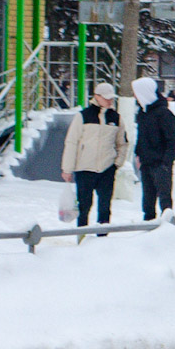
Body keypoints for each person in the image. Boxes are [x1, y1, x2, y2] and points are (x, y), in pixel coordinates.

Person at [60, 82, 127, 237]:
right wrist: (67, 168)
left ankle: (102, 240)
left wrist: (117, 164)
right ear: (97, 97)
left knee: (105, 206)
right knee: (84, 206)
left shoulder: (116, 118)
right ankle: (81, 237)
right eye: (106, 98)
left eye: (111, 98)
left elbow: (122, 143)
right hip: (84, 168)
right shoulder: (83, 116)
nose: (110, 101)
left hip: (107, 168)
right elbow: (71, 142)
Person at [132, 76, 175, 222]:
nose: (135, 96)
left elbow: (174, 141)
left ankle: (168, 226)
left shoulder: (164, 114)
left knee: (164, 199)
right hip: (146, 163)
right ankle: (148, 226)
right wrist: (138, 154)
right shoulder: (143, 113)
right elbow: (141, 137)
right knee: (147, 199)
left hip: (160, 164)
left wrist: (165, 162)